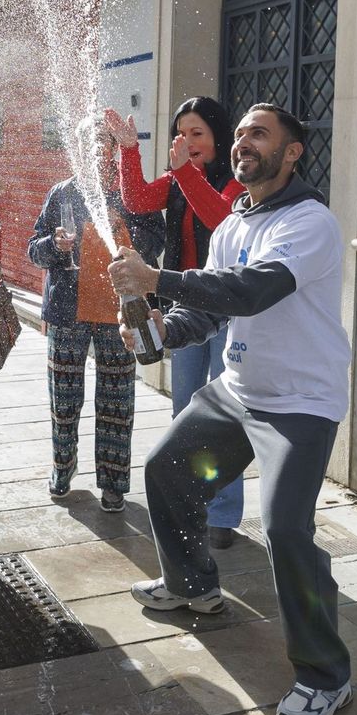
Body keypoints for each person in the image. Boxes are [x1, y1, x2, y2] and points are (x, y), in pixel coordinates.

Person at [107, 103, 353, 715]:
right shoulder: (233, 224)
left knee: (286, 529)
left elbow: (252, 290)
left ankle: (326, 675)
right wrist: (161, 332)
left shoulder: (310, 222)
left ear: (292, 151)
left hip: (299, 402)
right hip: (240, 390)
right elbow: (215, 312)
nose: (243, 143)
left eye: (258, 134)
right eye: (239, 134)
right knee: (167, 468)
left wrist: (157, 277)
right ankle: (192, 584)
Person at [106, 100, 248, 546]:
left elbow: (221, 221)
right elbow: (137, 200)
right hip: (183, 313)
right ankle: (189, 503)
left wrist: (185, 173)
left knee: (224, 417)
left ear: (218, 138)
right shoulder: (176, 180)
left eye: (198, 133)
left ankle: (223, 516)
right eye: (181, 134)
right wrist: (130, 150)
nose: (188, 142)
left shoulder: (236, 185)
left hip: (226, 313)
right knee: (185, 412)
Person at [28, 119, 164, 512]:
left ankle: (113, 483)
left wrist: (126, 234)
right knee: (64, 400)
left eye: (105, 141)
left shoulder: (133, 191)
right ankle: (62, 469)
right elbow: (34, 249)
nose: (99, 149)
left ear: (116, 147)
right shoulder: (63, 193)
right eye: (91, 141)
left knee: (117, 402)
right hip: (69, 315)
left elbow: (158, 239)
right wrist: (52, 245)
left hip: (122, 315)